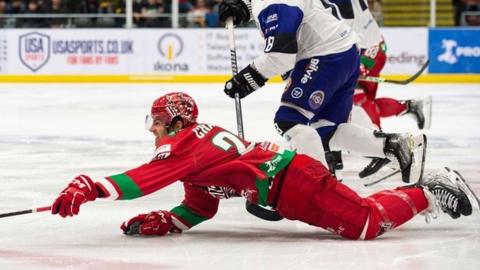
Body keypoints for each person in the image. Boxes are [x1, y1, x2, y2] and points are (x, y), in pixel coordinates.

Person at [50, 92, 477, 240]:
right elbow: (202, 205)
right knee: (359, 220)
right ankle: (423, 193)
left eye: (158, 122)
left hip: (293, 180)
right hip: (286, 187)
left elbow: (143, 179)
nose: (153, 131)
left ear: (178, 120)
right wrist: (171, 221)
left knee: (365, 225)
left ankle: (429, 189)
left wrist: (90, 187)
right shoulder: (195, 151)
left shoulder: (185, 145)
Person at [218, 0, 425, 184]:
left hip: (325, 56)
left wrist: (246, 78)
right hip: (345, 51)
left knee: (289, 121)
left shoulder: (275, 4)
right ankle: (394, 145)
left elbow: (281, 57)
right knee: (326, 130)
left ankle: (318, 186)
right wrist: (244, 6)